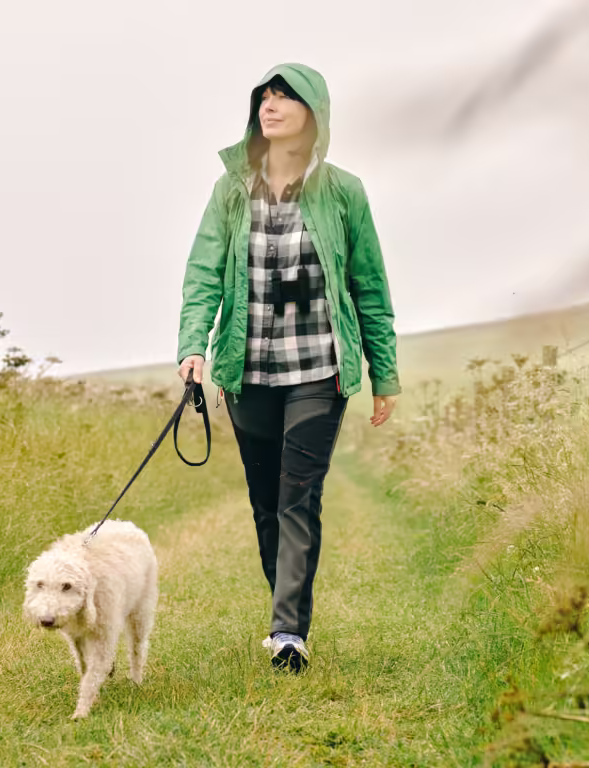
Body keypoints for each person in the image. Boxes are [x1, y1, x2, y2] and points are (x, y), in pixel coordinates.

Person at [175, 62, 400, 672]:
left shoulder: (343, 192)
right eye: (265, 97)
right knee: (265, 500)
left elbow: (369, 287)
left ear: (313, 113)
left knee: (299, 495)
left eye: (285, 96)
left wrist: (384, 375)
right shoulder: (230, 191)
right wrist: (194, 346)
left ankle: (288, 632)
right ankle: (287, 607)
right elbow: (202, 275)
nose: (270, 105)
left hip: (318, 371)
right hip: (246, 373)